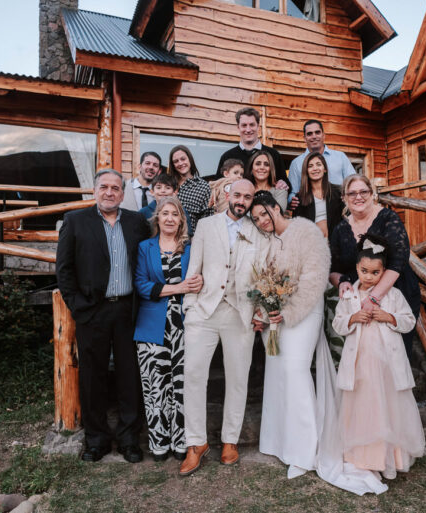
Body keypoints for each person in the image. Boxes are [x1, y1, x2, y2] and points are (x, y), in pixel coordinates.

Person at [250, 192, 387, 495]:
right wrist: (263, 312)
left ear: (276, 207)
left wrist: (286, 312)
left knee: (297, 371)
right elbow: (259, 281)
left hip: (302, 313)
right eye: (256, 218)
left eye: (264, 214)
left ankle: (306, 449)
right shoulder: (265, 241)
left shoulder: (306, 231)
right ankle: (279, 442)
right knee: (277, 373)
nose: (262, 221)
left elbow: (315, 279)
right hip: (273, 318)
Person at [55, 168, 151, 463]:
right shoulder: (75, 221)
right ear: (94, 190)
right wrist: (79, 306)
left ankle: (128, 439)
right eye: (104, 187)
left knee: (129, 375)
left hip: (127, 309)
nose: (110, 192)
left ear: (123, 193)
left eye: (115, 188)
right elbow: (64, 270)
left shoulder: (137, 223)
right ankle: (96, 439)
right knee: (92, 376)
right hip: (92, 310)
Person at [178, 179, 269, 476]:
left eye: (248, 197)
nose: (242, 200)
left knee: (238, 378)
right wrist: (190, 307)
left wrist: (260, 312)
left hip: (239, 313)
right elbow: (194, 269)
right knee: (193, 374)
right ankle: (196, 442)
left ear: (252, 200)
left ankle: (230, 440)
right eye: (238, 194)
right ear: (228, 194)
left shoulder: (258, 232)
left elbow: (262, 277)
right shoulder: (206, 226)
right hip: (204, 310)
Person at [333, 233, 423, 478]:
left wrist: (389, 317)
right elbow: (338, 324)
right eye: (364, 271)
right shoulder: (350, 295)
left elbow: (408, 321)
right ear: (357, 269)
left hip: (386, 366)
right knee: (363, 408)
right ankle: (362, 457)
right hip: (360, 364)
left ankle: (389, 457)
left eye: (375, 273)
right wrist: (352, 318)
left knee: (387, 408)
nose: (370, 277)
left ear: (384, 272)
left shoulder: (392, 295)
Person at [133, 196, 202, 462]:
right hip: (152, 324)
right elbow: (141, 284)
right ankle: (158, 442)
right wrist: (179, 288)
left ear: (182, 220)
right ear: (157, 218)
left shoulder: (191, 247)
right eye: (165, 214)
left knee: (182, 385)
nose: (170, 218)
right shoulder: (144, 247)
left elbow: (199, 278)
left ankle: (181, 442)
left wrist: (193, 284)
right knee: (155, 385)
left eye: (175, 214)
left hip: (186, 324)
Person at [329, 175, 421, 359]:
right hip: (359, 304)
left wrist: (374, 298)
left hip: (395, 294)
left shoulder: (388, 218)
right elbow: (333, 269)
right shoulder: (340, 229)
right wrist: (341, 283)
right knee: (365, 358)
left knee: (395, 357)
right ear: (344, 198)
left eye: (363, 191)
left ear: (372, 194)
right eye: (352, 193)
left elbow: (398, 261)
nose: (358, 197)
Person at [216, 107, 290, 191]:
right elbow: (218, 186)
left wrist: (283, 183)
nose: (248, 129)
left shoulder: (273, 154)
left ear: (258, 126)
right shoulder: (227, 157)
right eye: (244, 125)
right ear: (238, 127)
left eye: (252, 125)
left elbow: (286, 183)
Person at [288, 120, 356, 207]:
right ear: (304, 138)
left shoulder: (340, 157)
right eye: (309, 134)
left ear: (323, 135)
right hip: (310, 211)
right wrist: (291, 200)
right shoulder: (296, 163)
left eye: (317, 132)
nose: (314, 136)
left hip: (340, 208)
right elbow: (292, 192)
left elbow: (353, 182)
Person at [292, 152, 344, 238]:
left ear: (325, 169)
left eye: (318, 164)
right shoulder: (300, 197)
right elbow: (297, 227)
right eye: (310, 166)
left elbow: (345, 219)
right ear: (306, 171)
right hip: (312, 245)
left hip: (336, 243)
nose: (315, 168)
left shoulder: (337, 192)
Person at [168, 145, 212, 235]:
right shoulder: (168, 184)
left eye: (183, 159)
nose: (180, 163)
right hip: (166, 237)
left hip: (190, 241)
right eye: (176, 161)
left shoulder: (203, 187)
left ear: (190, 160)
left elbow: (207, 219)